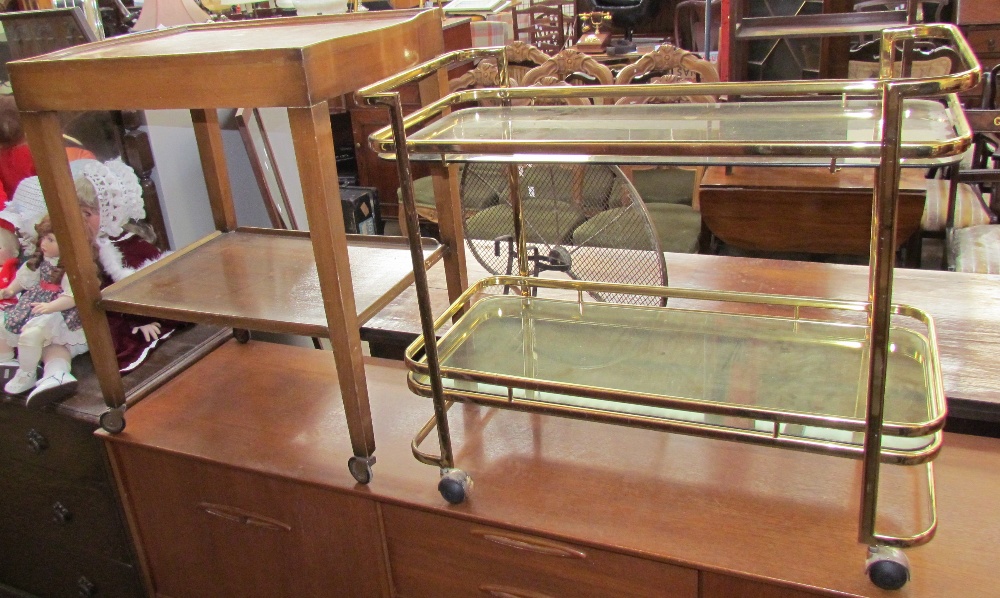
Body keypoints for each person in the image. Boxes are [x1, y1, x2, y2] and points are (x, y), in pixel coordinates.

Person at [74, 158, 176, 373]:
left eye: (87, 214)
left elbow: (152, 289)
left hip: (122, 317)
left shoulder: (131, 246)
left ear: (112, 211)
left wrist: (142, 318)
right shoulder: (87, 244)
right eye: (78, 212)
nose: (81, 220)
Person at [0, 216, 88, 402]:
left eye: (51, 240)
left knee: (31, 335)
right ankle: (7, 361)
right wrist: (9, 290)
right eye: (43, 238)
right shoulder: (41, 261)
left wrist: (50, 306)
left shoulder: (70, 268)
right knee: (7, 322)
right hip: (36, 304)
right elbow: (25, 279)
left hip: (59, 313)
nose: (43, 244)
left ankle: (27, 373)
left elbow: (72, 296)